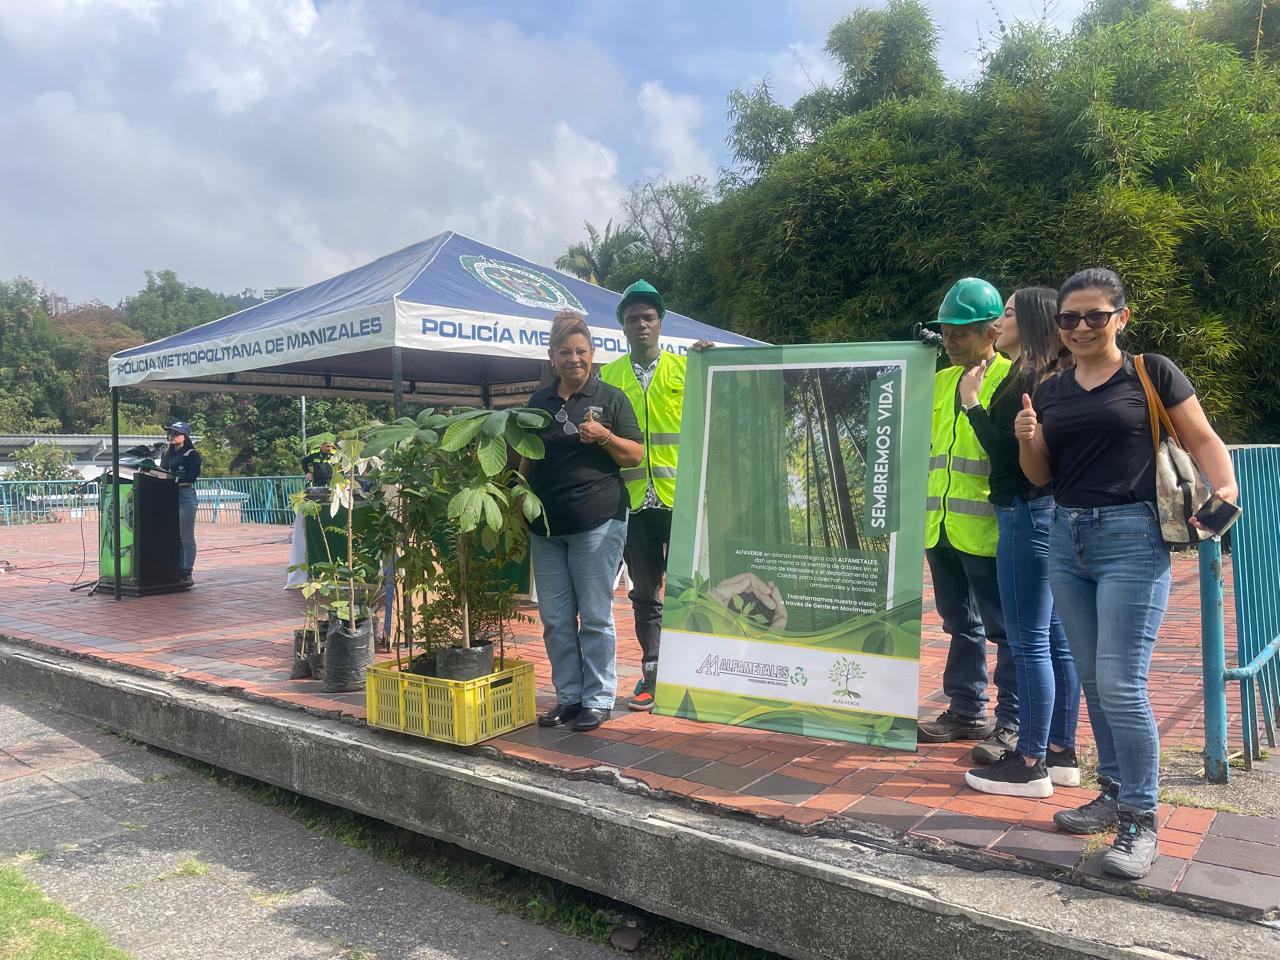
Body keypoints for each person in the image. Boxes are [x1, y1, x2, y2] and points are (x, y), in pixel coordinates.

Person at [1017, 268, 1237, 879]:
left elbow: (1203, 439)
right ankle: (1113, 791)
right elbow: (1040, 477)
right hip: (1066, 537)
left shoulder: (1150, 372)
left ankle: (1140, 820)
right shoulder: (1053, 389)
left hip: (1133, 540)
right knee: (1092, 678)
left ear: (1121, 317)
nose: (1081, 327)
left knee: (1121, 683)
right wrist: (1027, 439)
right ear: (1058, 325)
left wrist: (1223, 497)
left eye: (1094, 315)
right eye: (1069, 318)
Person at [960, 287, 1081, 799]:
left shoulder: (1025, 376)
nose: (998, 323)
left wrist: (971, 404)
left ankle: (1027, 762)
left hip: (1024, 514)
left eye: (1007, 313)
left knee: (1030, 641)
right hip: (1048, 514)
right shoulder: (1053, 374)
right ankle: (1060, 754)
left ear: (1029, 321)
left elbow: (1006, 455)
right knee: (1056, 642)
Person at [524, 311, 644, 732]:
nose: (574, 359)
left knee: (594, 616)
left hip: (598, 521)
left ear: (592, 354)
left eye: (581, 351)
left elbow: (635, 455)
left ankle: (597, 698)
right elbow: (525, 457)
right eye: (565, 352)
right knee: (556, 618)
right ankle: (569, 697)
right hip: (546, 527)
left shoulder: (610, 398)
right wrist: (519, 499)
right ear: (552, 357)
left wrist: (606, 437)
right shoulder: (539, 402)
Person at [917, 278, 1019, 762]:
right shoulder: (938, 381)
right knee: (959, 623)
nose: (951, 340)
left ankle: (1015, 722)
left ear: (992, 331)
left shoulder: (1013, 380)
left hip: (988, 530)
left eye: (962, 331)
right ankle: (965, 710)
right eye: (946, 332)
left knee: (1007, 630)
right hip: (939, 527)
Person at [599, 280, 711, 711]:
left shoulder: (688, 369)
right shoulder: (608, 377)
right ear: (623, 328)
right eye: (632, 319)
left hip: (681, 500)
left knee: (691, 590)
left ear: (660, 323)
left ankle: (696, 675)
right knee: (645, 593)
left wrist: (711, 364)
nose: (640, 324)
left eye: (647, 317)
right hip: (632, 503)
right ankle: (652, 672)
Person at [160, 421, 202, 583]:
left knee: (186, 536)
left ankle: (187, 571)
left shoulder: (192, 454)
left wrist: (176, 478)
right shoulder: (168, 453)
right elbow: (162, 470)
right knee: (173, 535)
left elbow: (192, 476)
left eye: (175, 434)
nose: (171, 436)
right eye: (170, 433)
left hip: (185, 495)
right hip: (170, 496)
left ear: (184, 436)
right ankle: (175, 568)